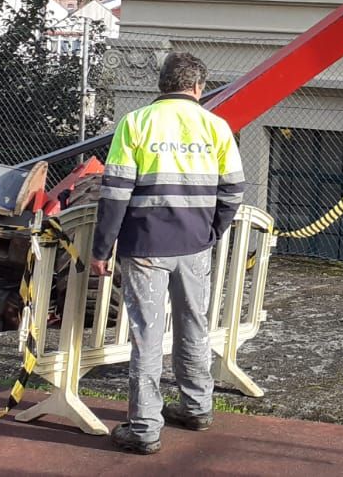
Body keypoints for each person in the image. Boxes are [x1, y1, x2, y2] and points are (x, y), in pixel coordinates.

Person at [91, 51, 245, 454]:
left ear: (161, 83)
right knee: (194, 324)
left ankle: (144, 427)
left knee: (147, 333)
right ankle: (197, 407)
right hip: (195, 243)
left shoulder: (135, 123)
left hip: (145, 243)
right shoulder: (216, 126)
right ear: (198, 87)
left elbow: (115, 192)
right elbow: (233, 190)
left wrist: (102, 247)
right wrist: (212, 230)